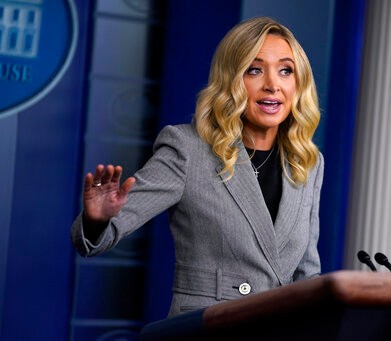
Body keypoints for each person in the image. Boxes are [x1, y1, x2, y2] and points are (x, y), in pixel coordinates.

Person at [71, 16, 324, 318]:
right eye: (255, 70)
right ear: (232, 78)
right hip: (208, 328)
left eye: (286, 71)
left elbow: (307, 274)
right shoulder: (188, 148)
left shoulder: (306, 161)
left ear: (298, 84)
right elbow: (98, 239)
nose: (272, 85)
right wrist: (97, 220)